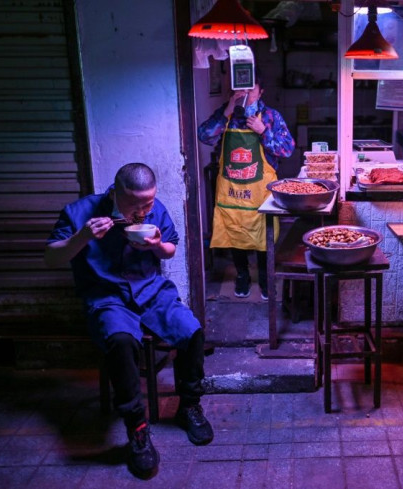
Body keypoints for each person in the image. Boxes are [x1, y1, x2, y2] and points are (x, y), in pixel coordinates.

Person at [44, 163, 213, 480]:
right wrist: (82, 237)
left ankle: (189, 405)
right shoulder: (81, 212)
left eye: (148, 203)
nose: (142, 211)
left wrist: (157, 246)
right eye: (135, 204)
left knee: (192, 331)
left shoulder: (154, 210)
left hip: (152, 292)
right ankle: (137, 429)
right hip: (108, 297)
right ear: (115, 193)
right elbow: (51, 257)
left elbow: (170, 249)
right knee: (121, 342)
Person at [198, 76, 295, 300]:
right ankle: (242, 275)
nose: (245, 94)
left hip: (260, 192)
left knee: (263, 235)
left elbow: (287, 149)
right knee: (235, 232)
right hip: (232, 191)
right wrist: (227, 111)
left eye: (251, 90)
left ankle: (264, 278)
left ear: (261, 92)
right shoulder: (227, 114)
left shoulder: (271, 117)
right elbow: (204, 136)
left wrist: (263, 132)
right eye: (241, 89)